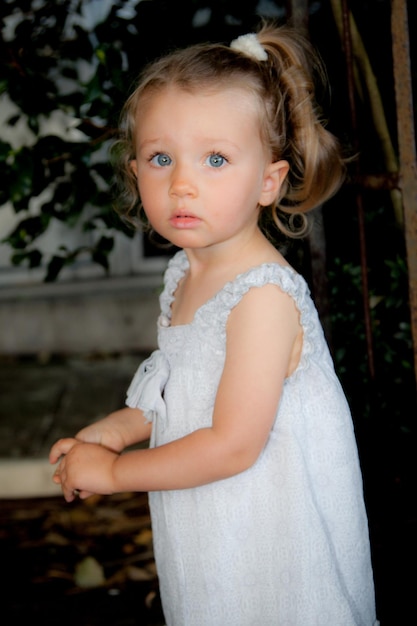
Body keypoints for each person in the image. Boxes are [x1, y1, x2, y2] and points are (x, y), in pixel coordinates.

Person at [49, 20, 379, 626]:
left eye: (216, 158)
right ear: (134, 173)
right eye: (160, 157)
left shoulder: (262, 299)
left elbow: (232, 444)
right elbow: (180, 389)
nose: (182, 182)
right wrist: (118, 432)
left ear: (268, 181)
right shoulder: (187, 273)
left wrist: (118, 474)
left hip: (271, 541)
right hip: (212, 528)